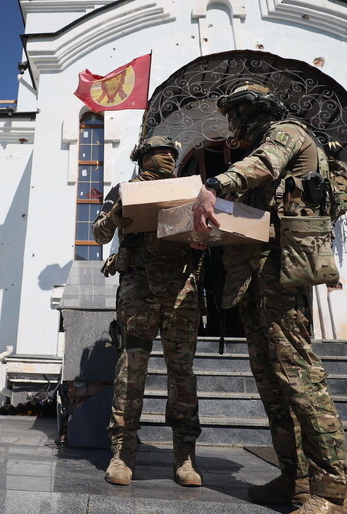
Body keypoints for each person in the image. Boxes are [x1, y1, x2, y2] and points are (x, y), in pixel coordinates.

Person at [191, 83, 347, 514]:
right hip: (255, 280)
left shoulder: (286, 132)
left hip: (282, 277)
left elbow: (263, 165)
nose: (232, 127)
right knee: (272, 385)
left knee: (300, 380)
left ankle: (335, 493)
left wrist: (215, 185)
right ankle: (296, 479)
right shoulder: (262, 144)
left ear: (250, 111)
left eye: (234, 116)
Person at [93, 135, 202, 488]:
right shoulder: (125, 190)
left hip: (180, 288)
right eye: (161, 154)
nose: (168, 159)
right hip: (139, 288)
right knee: (131, 370)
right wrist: (117, 214)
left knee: (182, 373)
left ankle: (185, 457)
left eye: (172, 154)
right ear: (143, 157)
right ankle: (122, 453)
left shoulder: (187, 190)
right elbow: (97, 232)